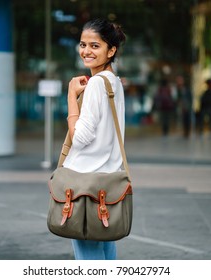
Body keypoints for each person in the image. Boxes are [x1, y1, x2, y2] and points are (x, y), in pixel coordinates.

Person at [62, 18, 126, 260]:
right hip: (107, 180)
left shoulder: (96, 85)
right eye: (83, 44)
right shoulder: (114, 82)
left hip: (84, 184)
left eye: (95, 46)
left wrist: (71, 95)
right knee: (105, 249)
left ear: (111, 50)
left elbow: (79, 139)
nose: (86, 51)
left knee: (89, 258)